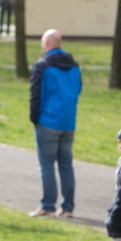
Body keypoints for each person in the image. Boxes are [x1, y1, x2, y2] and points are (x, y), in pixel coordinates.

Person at [28, 29, 80, 219]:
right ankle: (68, 207)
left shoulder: (43, 65)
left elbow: (36, 94)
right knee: (66, 165)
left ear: (47, 44)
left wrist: (35, 118)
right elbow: (78, 89)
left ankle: (47, 205)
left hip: (48, 120)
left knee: (47, 165)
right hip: (68, 121)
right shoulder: (74, 65)